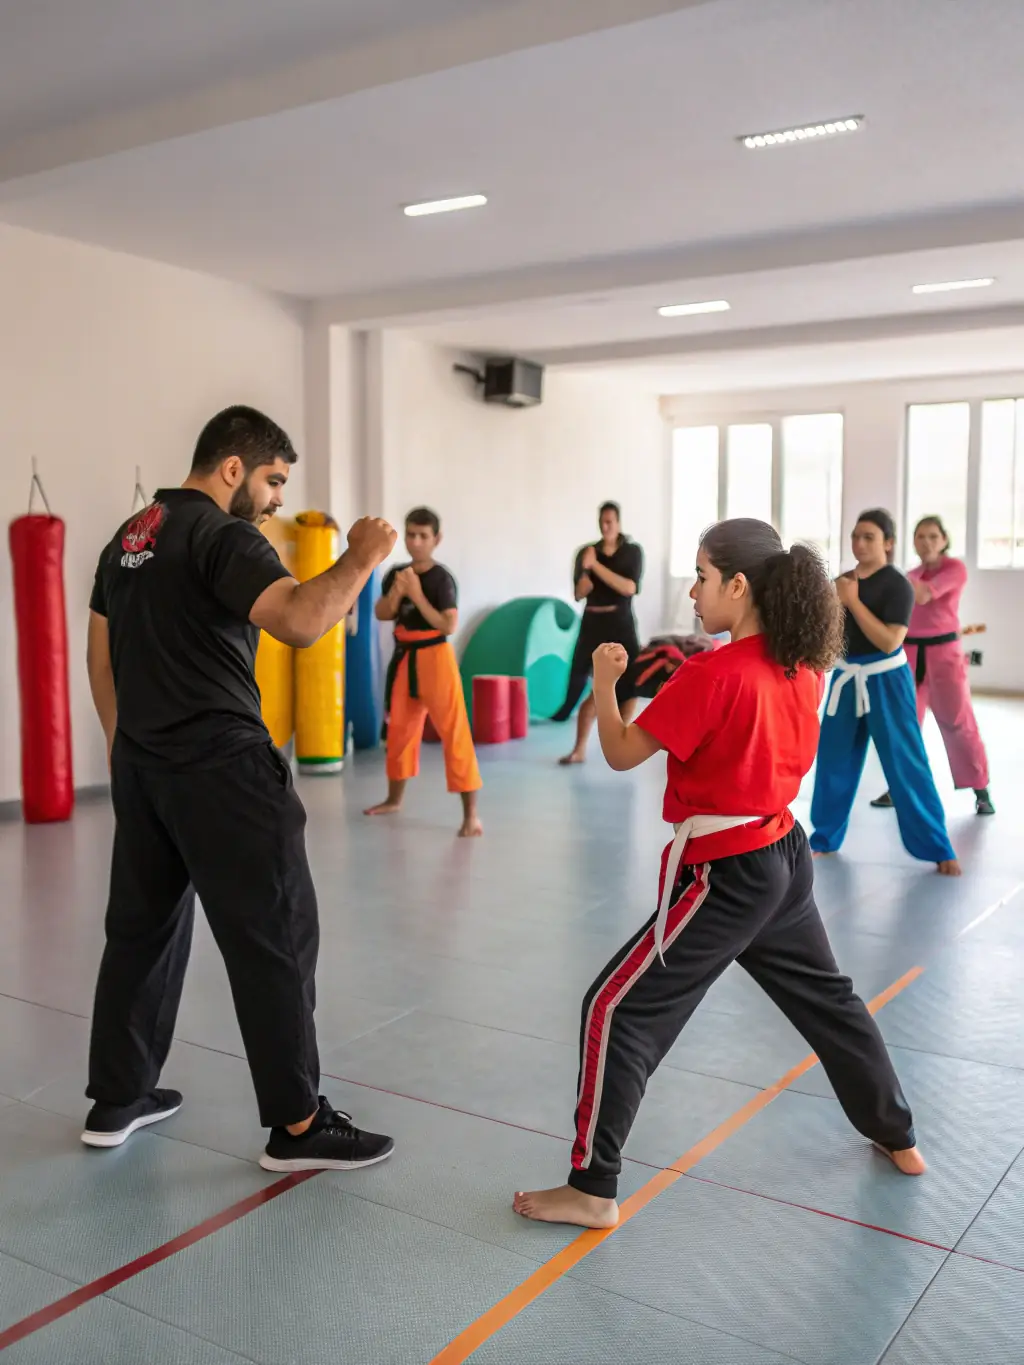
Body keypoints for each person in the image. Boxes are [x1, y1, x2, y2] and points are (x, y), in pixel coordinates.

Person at [513, 519, 925, 1231]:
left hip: (725, 874)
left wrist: (608, 683)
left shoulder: (710, 673)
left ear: (738, 585)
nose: (694, 592)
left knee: (616, 1008)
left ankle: (592, 1187)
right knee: (830, 1001)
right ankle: (897, 1132)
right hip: (782, 855)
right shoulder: (803, 662)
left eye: (702, 578)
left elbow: (617, 750)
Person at [84, 405, 400, 1171]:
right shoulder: (222, 533)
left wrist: (129, 745)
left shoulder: (132, 535)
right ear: (233, 468)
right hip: (224, 770)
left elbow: (102, 656)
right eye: (272, 481)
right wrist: (358, 557)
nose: (276, 501)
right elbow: (297, 619)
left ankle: (118, 1099)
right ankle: (298, 1127)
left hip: (144, 763)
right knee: (276, 939)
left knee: (142, 930)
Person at [809, 509, 960, 875]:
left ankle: (939, 847)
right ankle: (824, 838)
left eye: (869, 537)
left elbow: (891, 640)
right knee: (833, 758)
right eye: (856, 536)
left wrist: (853, 601)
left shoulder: (897, 585)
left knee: (905, 762)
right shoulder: (841, 582)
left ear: (888, 544)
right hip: (846, 680)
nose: (859, 543)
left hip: (886, 679)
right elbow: (830, 636)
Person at [364, 507, 483, 837]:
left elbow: (448, 623)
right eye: (411, 535)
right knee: (399, 731)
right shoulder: (397, 574)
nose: (415, 543)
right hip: (405, 659)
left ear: (436, 539)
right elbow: (382, 612)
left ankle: (471, 815)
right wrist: (399, 592)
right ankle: (393, 799)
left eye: (423, 536)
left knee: (454, 732)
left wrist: (416, 593)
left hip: (436, 657)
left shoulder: (441, 578)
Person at [871, 516, 993, 816]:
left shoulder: (954, 569)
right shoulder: (910, 574)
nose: (926, 542)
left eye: (933, 536)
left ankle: (980, 789)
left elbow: (924, 594)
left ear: (944, 540)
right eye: (920, 536)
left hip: (945, 656)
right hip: (908, 654)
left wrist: (884, 570)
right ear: (913, 541)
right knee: (904, 723)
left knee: (958, 723)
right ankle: (899, 786)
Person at [554, 502, 644, 765]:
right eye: (602, 522)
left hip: (621, 622)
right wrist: (584, 581)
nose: (606, 527)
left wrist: (596, 567)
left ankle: (620, 740)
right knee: (586, 681)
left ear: (618, 522)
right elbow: (579, 593)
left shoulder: (632, 552)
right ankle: (579, 749)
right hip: (593, 621)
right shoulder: (586, 552)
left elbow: (628, 587)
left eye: (610, 522)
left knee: (629, 684)